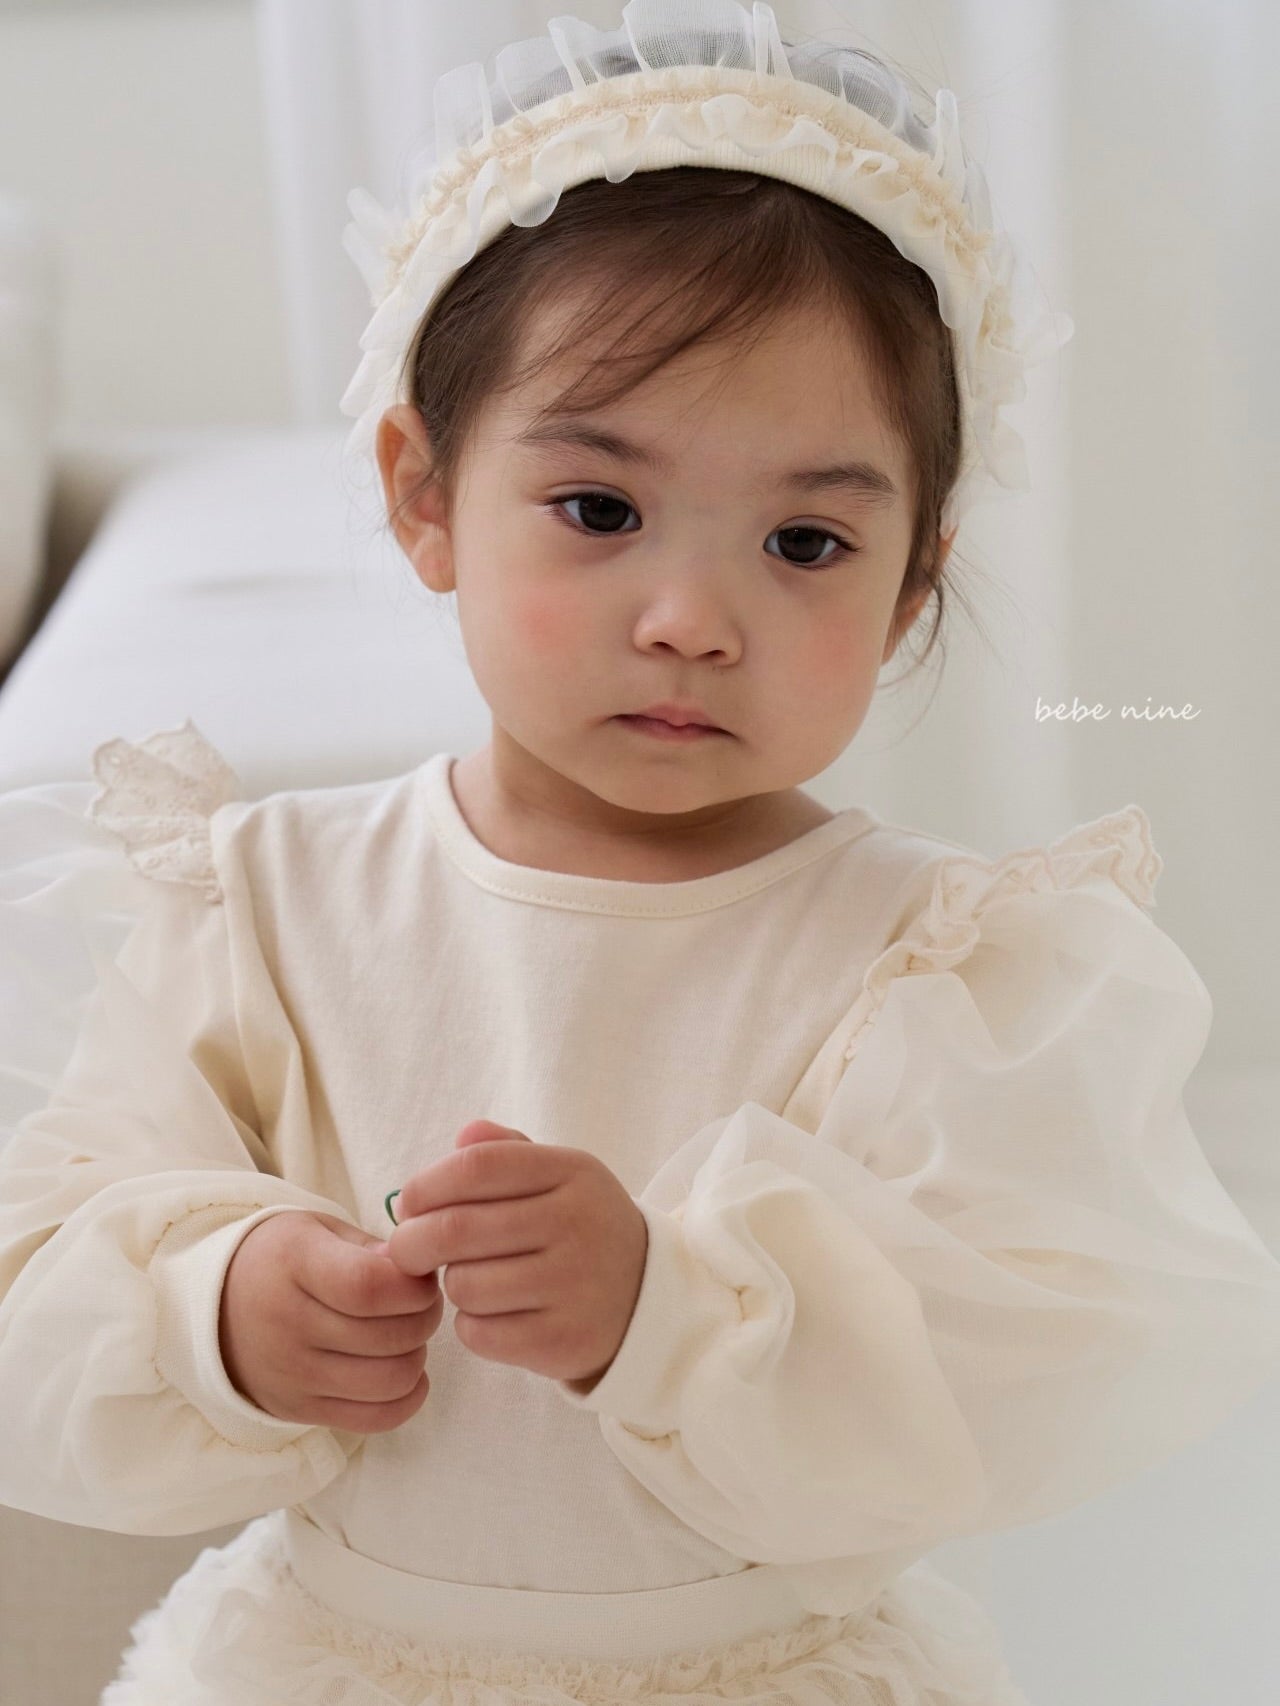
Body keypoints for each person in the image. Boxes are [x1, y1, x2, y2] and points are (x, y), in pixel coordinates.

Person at [2, 5, 1279, 1703]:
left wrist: (667, 1307)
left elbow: (1022, 1356)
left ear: (914, 581)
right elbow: (44, 1253)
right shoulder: (265, 902)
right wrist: (219, 1308)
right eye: (600, 510)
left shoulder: (922, 958)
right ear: (423, 493)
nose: (690, 618)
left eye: (805, 540)